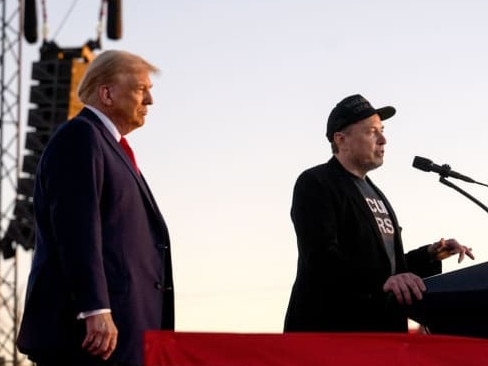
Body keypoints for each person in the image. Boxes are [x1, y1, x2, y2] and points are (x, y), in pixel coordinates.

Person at [16, 50, 174, 366]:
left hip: (125, 336)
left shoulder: (109, 147)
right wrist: (95, 308)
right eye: (142, 89)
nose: (150, 101)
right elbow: (77, 231)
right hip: (92, 340)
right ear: (107, 93)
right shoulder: (81, 137)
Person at [283, 94, 474, 333]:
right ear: (341, 140)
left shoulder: (375, 193)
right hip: (333, 331)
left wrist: (429, 255)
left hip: (381, 331)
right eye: (372, 132)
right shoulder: (316, 183)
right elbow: (321, 258)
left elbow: (390, 271)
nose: (383, 139)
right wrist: (381, 281)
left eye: (382, 130)